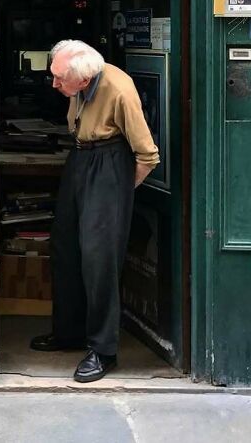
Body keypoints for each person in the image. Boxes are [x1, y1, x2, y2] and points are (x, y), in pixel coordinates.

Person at [30, 39, 159, 383]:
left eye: (60, 79)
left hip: (110, 163)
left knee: (99, 257)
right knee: (65, 246)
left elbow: (148, 155)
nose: (54, 84)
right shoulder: (77, 82)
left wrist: (116, 193)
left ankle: (104, 350)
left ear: (84, 80)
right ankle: (69, 332)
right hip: (81, 157)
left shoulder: (119, 89)